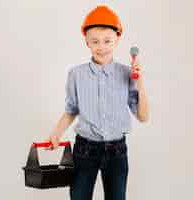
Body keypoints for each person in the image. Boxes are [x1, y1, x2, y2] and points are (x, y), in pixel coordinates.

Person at [45, 5, 149, 200]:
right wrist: (56, 133)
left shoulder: (127, 74)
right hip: (84, 151)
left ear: (117, 39)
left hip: (117, 152)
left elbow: (143, 116)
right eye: (95, 41)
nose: (101, 46)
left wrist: (140, 82)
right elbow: (71, 110)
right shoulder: (76, 74)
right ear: (86, 41)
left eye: (107, 40)